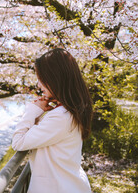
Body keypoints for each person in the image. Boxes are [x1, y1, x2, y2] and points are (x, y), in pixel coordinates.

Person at [11, 48, 93, 193]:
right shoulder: (69, 111)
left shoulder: (61, 116)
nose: (38, 85)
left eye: (41, 79)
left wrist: (33, 109)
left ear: (55, 78)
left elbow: (18, 142)